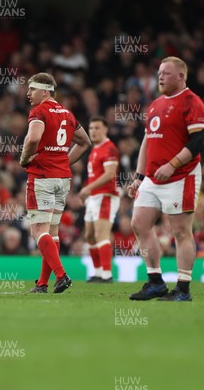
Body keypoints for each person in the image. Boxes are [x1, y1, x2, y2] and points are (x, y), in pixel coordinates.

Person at [127, 56, 204, 301]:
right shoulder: (155, 104)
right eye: (159, 72)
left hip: (181, 175)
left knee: (181, 231)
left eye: (166, 73)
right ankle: (155, 282)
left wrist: (172, 165)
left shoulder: (191, 102)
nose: (160, 77)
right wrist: (139, 176)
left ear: (181, 76)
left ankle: (183, 289)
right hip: (153, 177)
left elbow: (199, 141)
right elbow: (146, 143)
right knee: (139, 223)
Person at [20, 72, 91, 293]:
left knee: (38, 231)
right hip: (62, 179)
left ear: (45, 91)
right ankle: (42, 284)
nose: (28, 93)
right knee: (52, 232)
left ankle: (61, 275)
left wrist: (24, 158)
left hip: (42, 177)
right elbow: (85, 141)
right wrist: (63, 162)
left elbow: (33, 138)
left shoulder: (39, 112)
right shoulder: (67, 114)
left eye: (32, 89)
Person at [77, 117, 120, 283]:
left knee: (101, 234)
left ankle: (107, 275)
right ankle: (97, 272)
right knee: (89, 235)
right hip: (94, 197)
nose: (93, 131)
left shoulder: (109, 149)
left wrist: (88, 187)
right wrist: (88, 191)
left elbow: (110, 174)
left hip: (106, 196)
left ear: (105, 130)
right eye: (91, 128)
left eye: (97, 128)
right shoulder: (95, 149)